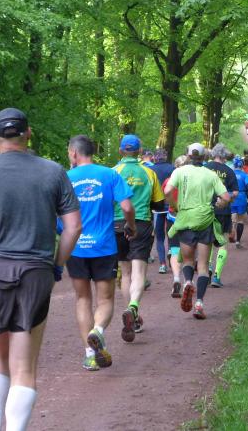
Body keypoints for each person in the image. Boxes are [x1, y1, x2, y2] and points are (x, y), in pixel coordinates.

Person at [0, 107, 81, 431]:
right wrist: (56, 265)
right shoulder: (54, 172)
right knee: (24, 366)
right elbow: (73, 228)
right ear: (28, 133)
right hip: (35, 271)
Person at [65, 135, 136, 371]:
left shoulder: (65, 178)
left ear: (74, 153)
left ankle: (89, 355)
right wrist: (131, 226)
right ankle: (98, 330)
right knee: (105, 299)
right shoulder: (110, 174)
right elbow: (127, 207)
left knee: (82, 299)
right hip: (104, 246)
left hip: (76, 246)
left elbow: (56, 213)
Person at [164, 143, 231, 319]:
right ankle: (199, 303)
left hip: (185, 220)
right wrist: (220, 204)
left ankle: (187, 281)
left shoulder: (179, 172)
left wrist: (175, 205)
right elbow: (226, 197)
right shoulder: (211, 174)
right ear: (204, 157)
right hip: (205, 221)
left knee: (187, 260)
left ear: (188, 156)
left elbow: (167, 191)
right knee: (202, 265)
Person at [112, 134, 164, 342]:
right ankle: (133, 307)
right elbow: (159, 204)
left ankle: (131, 313)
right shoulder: (149, 172)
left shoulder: (113, 172)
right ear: (140, 151)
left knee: (125, 273)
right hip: (141, 223)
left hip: (117, 224)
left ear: (120, 151)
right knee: (139, 272)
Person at [204, 144, 238, 289]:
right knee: (222, 242)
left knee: (208, 241)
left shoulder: (205, 168)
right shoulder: (229, 171)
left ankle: (207, 268)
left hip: (206, 209)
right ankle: (217, 276)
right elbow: (235, 192)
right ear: (224, 155)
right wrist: (227, 199)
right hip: (223, 210)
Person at [163, 155, 187, 298]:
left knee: (174, 249)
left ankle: (176, 278)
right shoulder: (193, 180)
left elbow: (166, 195)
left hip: (172, 217)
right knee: (189, 250)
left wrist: (173, 205)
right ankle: (187, 281)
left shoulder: (169, 181)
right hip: (189, 218)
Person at [150, 149, 175, 274]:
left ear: (155, 157)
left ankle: (162, 264)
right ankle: (171, 251)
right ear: (165, 156)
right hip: (171, 206)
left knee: (159, 237)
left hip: (157, 208)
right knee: (171, 234)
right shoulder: (172, 168)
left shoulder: (151, 170)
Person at [230, 156, 248, 251]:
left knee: (232, 217)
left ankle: (231, 230)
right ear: (242, 165)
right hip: (241, 197)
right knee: (240, 220)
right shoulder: (244, 175)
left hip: (231, 196)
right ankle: (238, 241)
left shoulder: (229, 174)